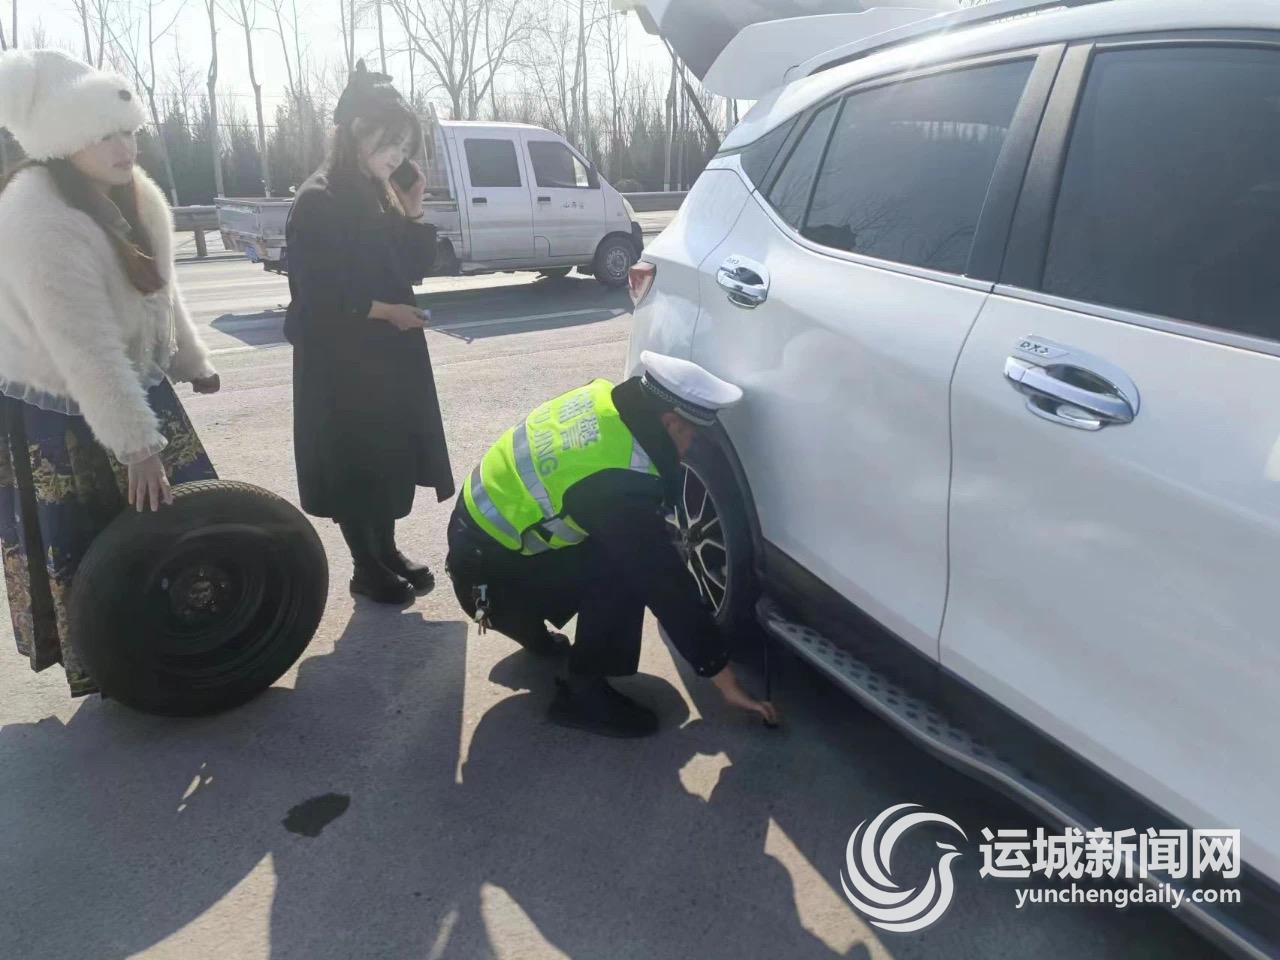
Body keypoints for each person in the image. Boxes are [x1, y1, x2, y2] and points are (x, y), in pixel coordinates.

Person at [0, 50, 221, 696]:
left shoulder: (133, 191)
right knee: (97, 548)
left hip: (133, 385)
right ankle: (119, 668)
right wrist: (138, 447)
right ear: (63, 140)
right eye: (106, 135)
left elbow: (158, 288)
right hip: (64, 406)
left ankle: (194, 640)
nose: (126, 147)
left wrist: (190, 358)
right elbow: (83, 348)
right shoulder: (36, 215)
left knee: (186, 524)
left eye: (129, 131)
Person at [446, 351, 779, 738]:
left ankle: (532, 634)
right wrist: (723, 677)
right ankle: (582, 693)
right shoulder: (614, 483)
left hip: (479, 557)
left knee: (622, 545)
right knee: (627, 566)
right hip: (487, 588)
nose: (690, 447)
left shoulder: (602, 399)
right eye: (690, 434)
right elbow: (664, 583)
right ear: (670, 422)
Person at [285, 62, 455, 606]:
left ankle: (386, 551)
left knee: (387, 457)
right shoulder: (319, 199)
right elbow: (319, 297)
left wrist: (413, 206)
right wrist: (387, 313)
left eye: (405, 147)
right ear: (357, 131)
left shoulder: (375, 190)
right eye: (390, 144)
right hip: (342, 360)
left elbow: (412, 266)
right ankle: (366, 565)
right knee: (354, 462)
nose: (398, 157)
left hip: (384, 356)